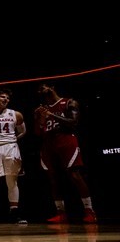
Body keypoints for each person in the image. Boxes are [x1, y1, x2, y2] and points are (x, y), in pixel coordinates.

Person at [34, 82, 97, 223]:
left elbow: (73, 122)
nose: (42, 90)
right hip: (48, 143)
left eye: (44, 87)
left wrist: (51, 115)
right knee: (54, 178)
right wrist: (41, 119)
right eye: (39, 89)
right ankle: (61, 212)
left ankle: (89, 211)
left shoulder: (69, 102)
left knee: (75, 175)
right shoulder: (40, 110)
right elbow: (38, 132)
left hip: (66, 140)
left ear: (52, 87)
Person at [0, 88, 27, 224]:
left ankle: (14, 212)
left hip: (10, 148)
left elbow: (23, 131)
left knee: (12, 181)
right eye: (3, 97)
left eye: (7, 98)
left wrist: (11, 141)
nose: (6, 100)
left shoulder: (16, 114)